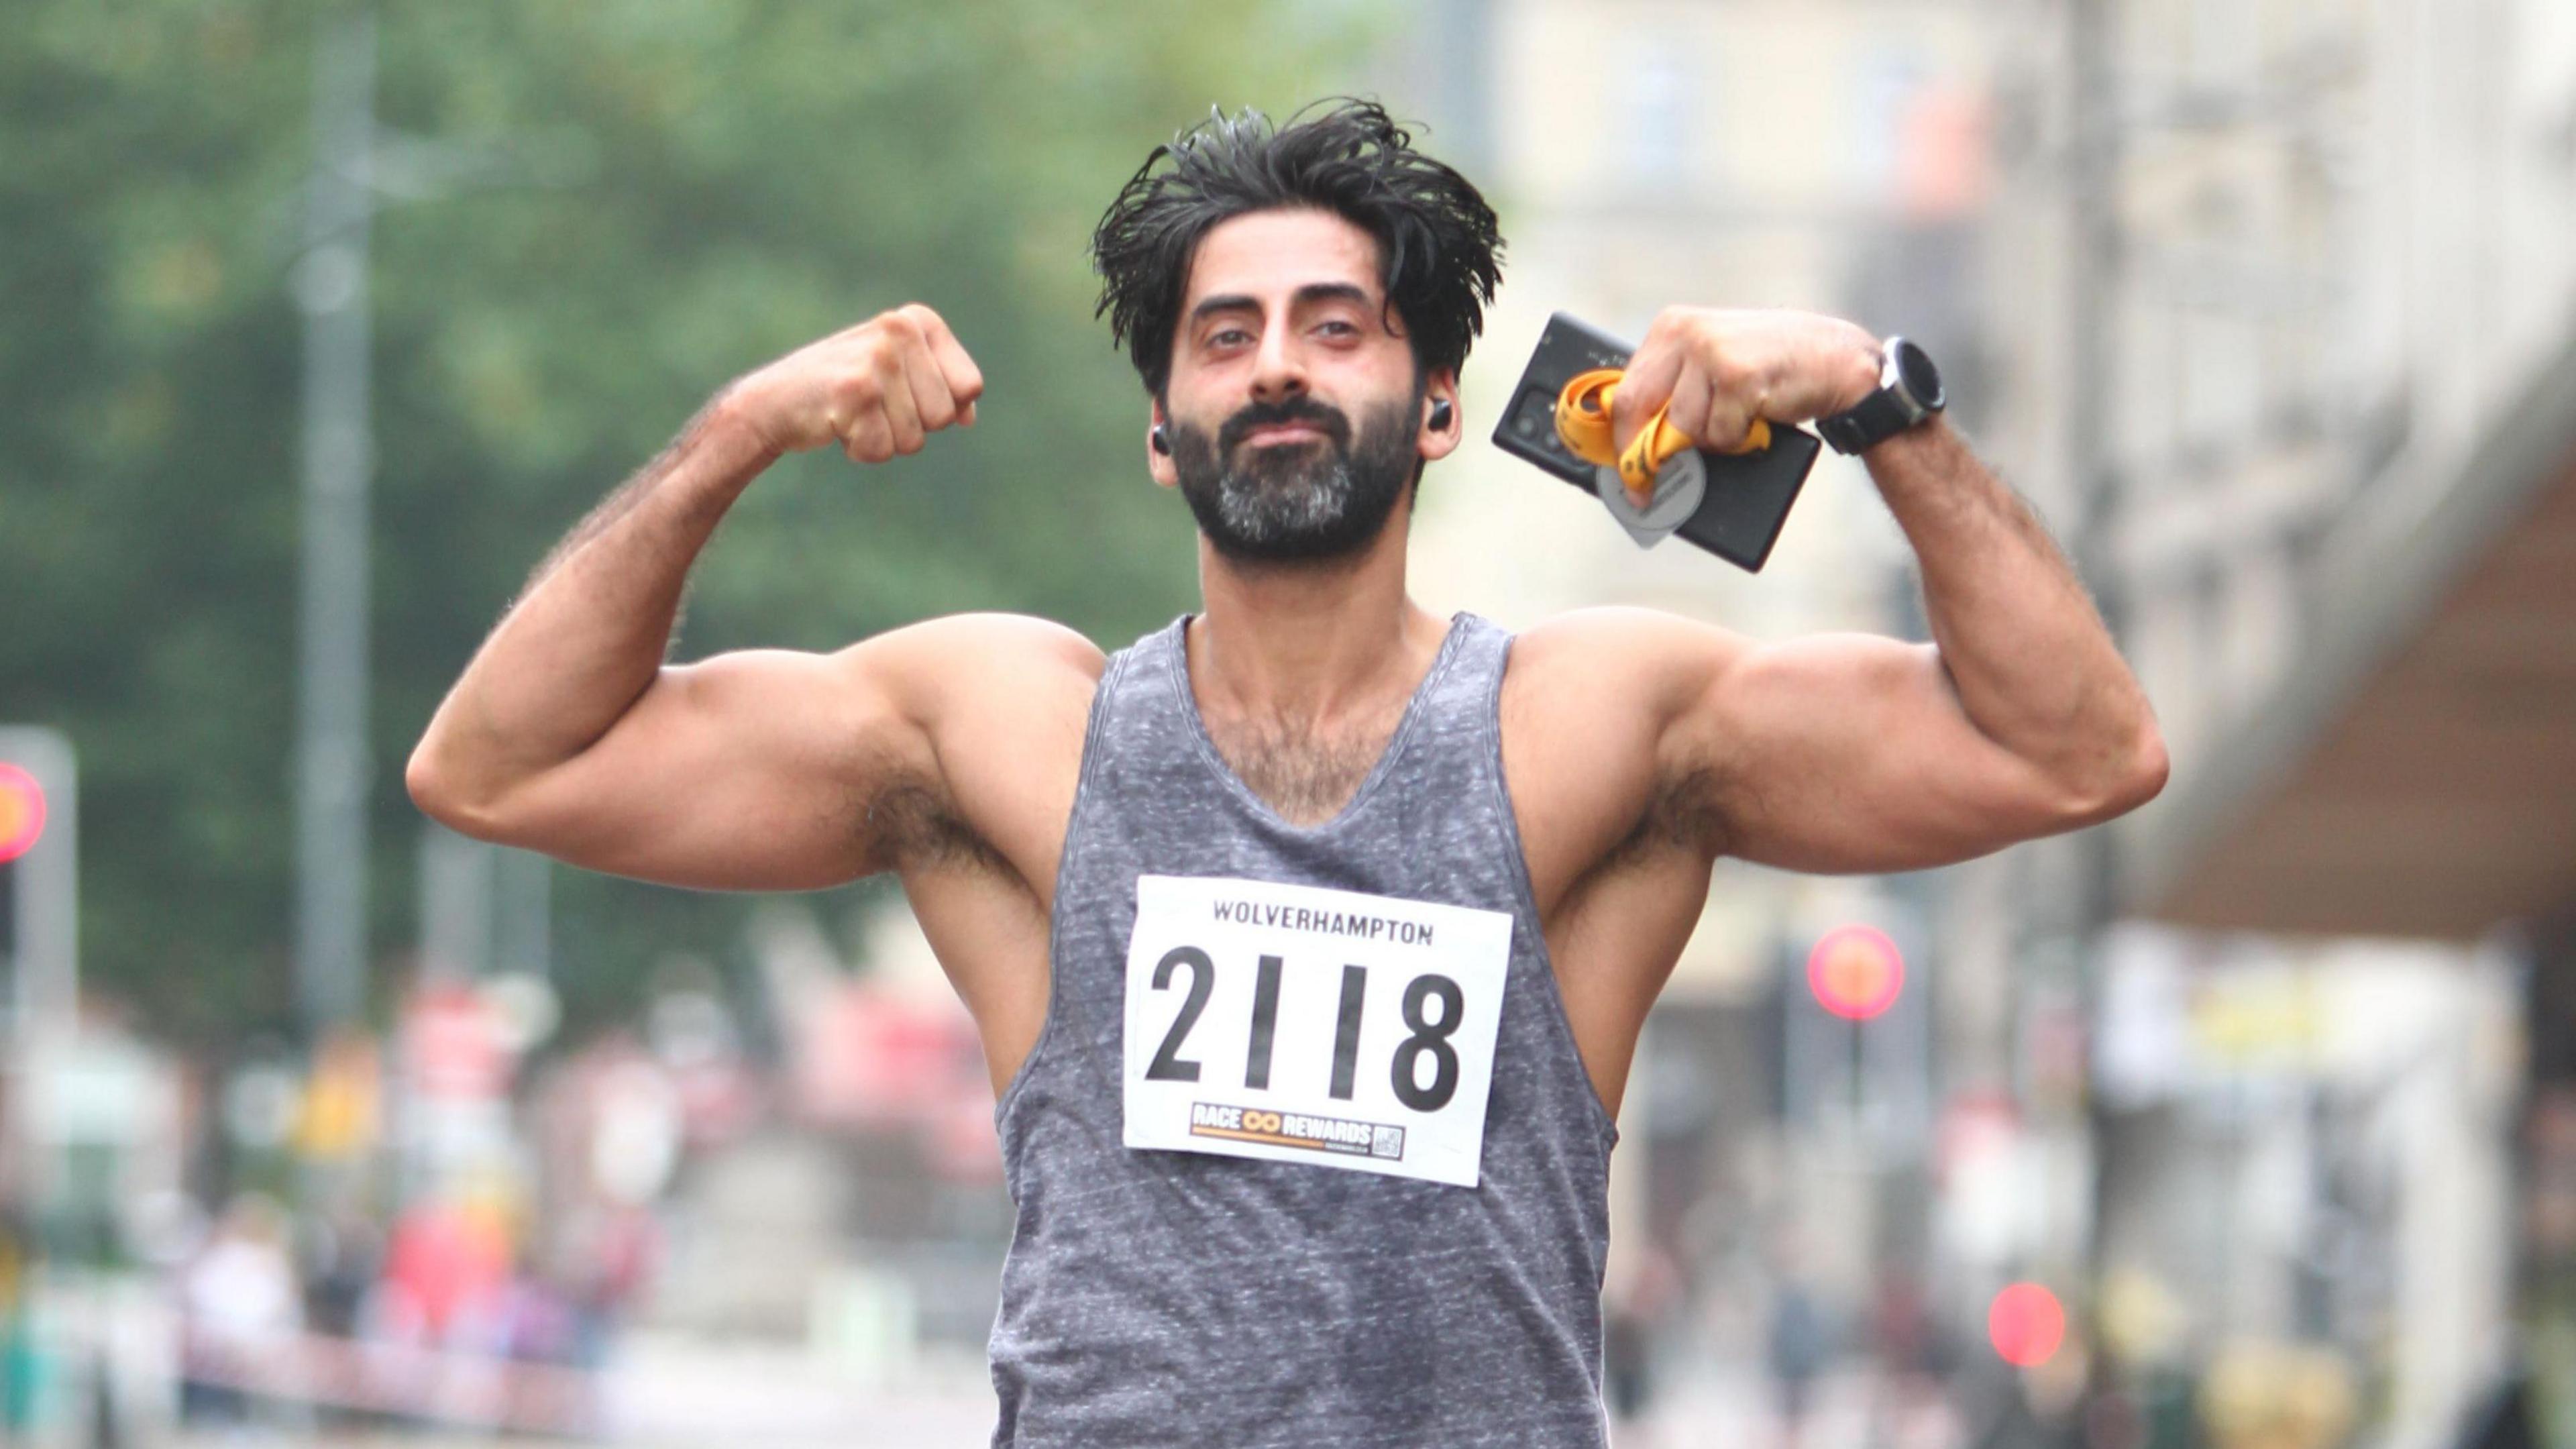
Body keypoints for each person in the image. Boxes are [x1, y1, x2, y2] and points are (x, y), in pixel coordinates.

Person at [407, 99, 2165, 1448]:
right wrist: (743, 430)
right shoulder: (1012, 735)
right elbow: (502, 767)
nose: (1278, 368)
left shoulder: (1595, 725)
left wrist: (1875, 398)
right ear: (1161, 430)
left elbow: (2077, 751)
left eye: (1338, 326)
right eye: (1226, 333)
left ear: (1441, 403)